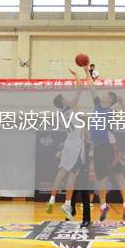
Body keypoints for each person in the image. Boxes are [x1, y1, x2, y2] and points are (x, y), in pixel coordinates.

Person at [84, 64, 125, 222]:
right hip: (97, 148)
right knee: (101, 179)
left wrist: (122, 103)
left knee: (118, 175)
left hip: (109, 147)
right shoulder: (97, 105)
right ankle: (103, 206)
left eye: (107, 95)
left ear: (111, 100)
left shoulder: (111, 112)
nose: (103, 96)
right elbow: (91, 87)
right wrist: (86, 72)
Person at [48, 69, 85, 216]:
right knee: (73, 174)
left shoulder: (60, 114)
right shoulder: (71, 107)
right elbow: (80, 88)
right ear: (63, 102)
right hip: (76, 143)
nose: (68, 98)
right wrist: (76, 75)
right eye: (65, 97)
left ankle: (52, 199)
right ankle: (67, 204)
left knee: (62, 172)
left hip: (68, 142)